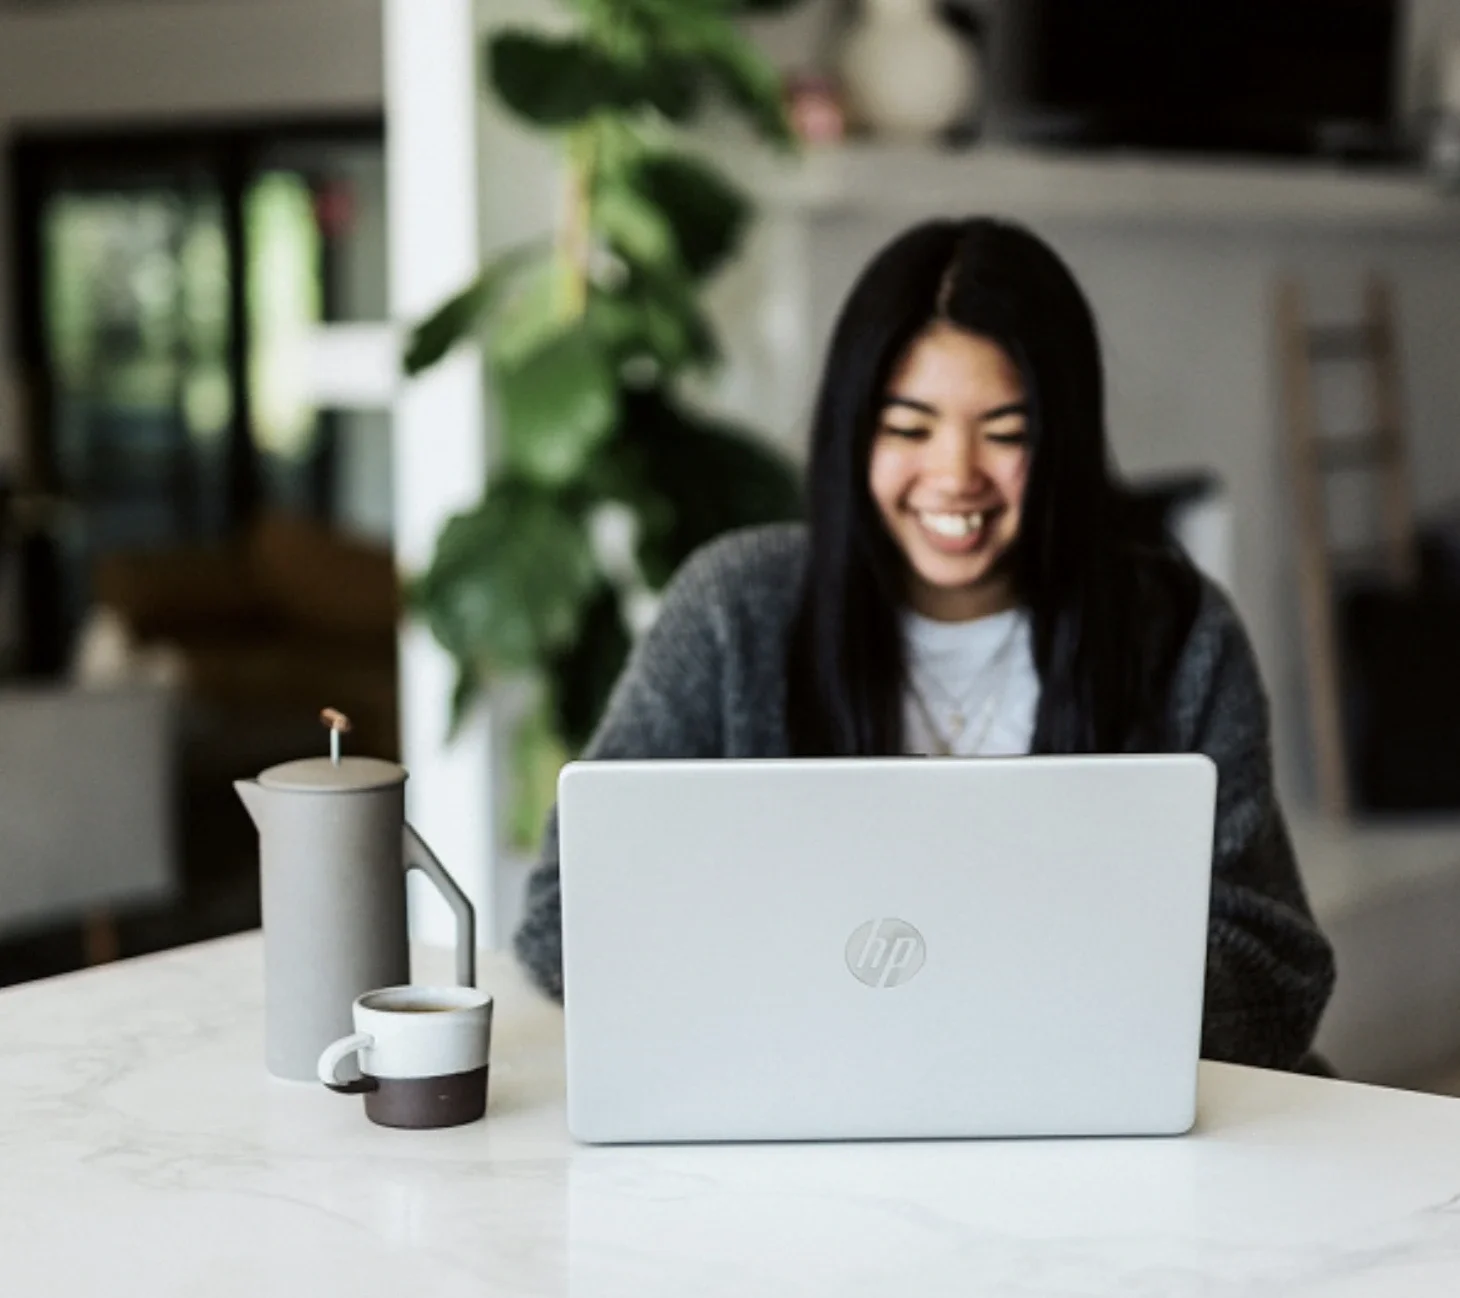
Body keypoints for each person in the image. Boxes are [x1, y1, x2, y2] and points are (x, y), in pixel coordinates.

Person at [514, 216, 1336, 1073]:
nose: (955, 476)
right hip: (807, 1090)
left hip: (1076, 1097)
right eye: (909, 429)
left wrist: (963, 1004)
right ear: (852, 433)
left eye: (1007, 433)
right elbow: (565, 918)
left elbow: (1275, 969)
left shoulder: (1177, 631)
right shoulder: (736, 610)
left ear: (1065, 440)